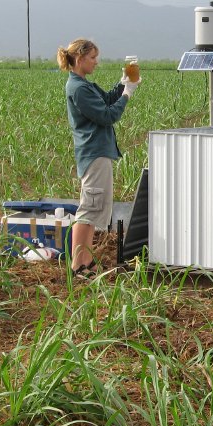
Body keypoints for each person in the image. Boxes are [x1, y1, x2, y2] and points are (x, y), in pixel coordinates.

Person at [56, 38, 140, 277]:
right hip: (94, 152)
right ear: (80, 58)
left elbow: (105, 99)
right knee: (89, 208)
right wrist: (127, 95)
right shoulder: (78, 88)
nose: (96, 62)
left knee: (95, 208)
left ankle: (87, 260)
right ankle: (77, 264)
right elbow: (107, 115)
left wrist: (123, 84)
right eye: (92, 57)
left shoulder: (84, 84)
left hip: (98, 152)